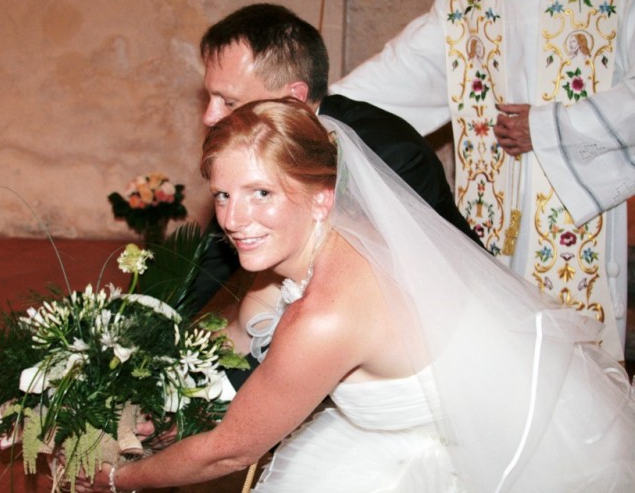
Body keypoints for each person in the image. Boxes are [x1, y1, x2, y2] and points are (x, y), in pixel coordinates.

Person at [75, 98, 634, 493]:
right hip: (419, 426)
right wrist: (148, 385)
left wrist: (118, 477)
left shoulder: (328, 313)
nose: (235, 219)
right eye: (223, 195)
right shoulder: (312, 245)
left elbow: (231, 449)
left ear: (322, 197)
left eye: (261, 193)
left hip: (514, 450)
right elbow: (237, 336)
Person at [330, 0, 635, 361]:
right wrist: (310, 111)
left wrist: (550, 127)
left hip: (572, 211)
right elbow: (400, 73)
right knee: (496, 350)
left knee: (571, 363)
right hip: (491, 214)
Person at [190, 4, 480, 381]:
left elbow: (351, 307)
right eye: (210, 98)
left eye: (228, 102)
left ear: (293, 98)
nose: (210, 117)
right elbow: (212, 259)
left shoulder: (391, 155)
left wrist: (220, 395)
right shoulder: (258, 154)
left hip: (441, 357)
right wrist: (146, 325)